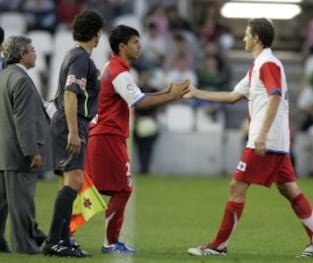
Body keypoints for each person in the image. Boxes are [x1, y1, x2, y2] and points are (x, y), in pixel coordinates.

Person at [185, 18, 313, 258]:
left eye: (247, 33)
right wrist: (195, 93)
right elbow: (232, 96)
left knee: (237, 186)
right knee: (289, 189)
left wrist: (261, 135)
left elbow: (275, 96)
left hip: (266, 141)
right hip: (275, 142)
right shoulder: (258, 65)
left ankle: (218, 245)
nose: (243, 37)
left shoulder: (268, 64)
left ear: (257, 38)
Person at [84, 24, 189, 254]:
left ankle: (64, 233)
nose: (140, 46)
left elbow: (138, 96)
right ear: (122, 46)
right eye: (135, 42)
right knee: (121, 189)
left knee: (97, 190)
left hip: (108, 135)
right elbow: (139, 102)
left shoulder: (115, 68)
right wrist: (171, 96)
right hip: (108, 135)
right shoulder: (119, 71)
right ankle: (108, 242)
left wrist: (167, 92)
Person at [42, 10, 104, 257]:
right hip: (72, 122)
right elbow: (70, 94)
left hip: (72, 122)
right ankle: (55, 241)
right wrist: (73, 132)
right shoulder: (81, 58)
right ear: (96, 35)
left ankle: (63, 239)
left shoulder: (74, 54)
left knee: (69, 182)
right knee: (75, 180)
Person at [0, 35, 51, 254]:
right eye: (32, 49)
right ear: (23, 54)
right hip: (18, 153)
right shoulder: (21, 80)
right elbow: (24, 121)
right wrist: (32, 151)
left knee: (2, 204)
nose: (35, 53)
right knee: (21, 203)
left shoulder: (4, 76)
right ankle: (24, 246)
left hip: (4, 151)